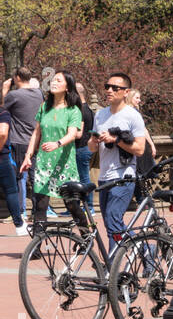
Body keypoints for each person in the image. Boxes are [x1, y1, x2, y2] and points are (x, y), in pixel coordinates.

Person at [21, 71, 89, 232]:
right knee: (40, 205)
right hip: (44, 163)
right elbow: (36, 133)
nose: (54, 82)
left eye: (59, 80)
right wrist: (28, 156)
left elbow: (72, 134)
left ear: (67, 87)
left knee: (72, 205)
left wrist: (57, 144)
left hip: (65, 165)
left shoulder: (73, 110)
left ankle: (86, 238)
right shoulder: (44, 107)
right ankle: (37, 244)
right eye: (53, 80)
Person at [87, 72, 148, 245]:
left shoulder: (132, 115)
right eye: (107, 87)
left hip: (124, 176)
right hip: (104, 177)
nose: (109, 90)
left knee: (113, 218)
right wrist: (93, 140)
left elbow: (140, 149)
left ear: (126, 92)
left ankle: (113, 266)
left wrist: (116, 140)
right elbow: (92, 148)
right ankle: (143, 250)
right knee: (111, 224)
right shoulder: (99, 115)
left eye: (115, 88)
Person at [3, 67, 44, 209]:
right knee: (35, 177)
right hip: (35, 140)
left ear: (18, 78)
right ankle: (39, 210)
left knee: (18, 177)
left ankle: (20, 210)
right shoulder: (39, 94)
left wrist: (4, 89)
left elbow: (2, 110)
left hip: (18, 140)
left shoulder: (14, 95)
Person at [0, 104, 28, 235]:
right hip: (2, 158)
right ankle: (19, 224)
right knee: (11, 190)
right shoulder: (3, 112)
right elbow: (3, 133)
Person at [73, 81, 96, 218]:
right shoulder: (88, 109)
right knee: (80, 178)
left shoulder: (81, 110)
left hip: (81, 147)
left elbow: (79, 132)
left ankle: (90, 206)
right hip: (85, 148)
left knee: (83, 178)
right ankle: (79, 206)